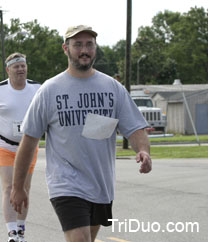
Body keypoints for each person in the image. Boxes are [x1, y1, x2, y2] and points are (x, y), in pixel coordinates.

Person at [10, 25, 152, 242]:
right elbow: (29, 141)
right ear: (66, 49)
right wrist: (18, 187)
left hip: (100, 184)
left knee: (88, 239)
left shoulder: (112, 88)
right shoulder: (50, 90)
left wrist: (143, 150)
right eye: (78, 45)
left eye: (89, 45)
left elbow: (135, 128)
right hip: (65, 184)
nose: (84, 50)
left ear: (95, 48)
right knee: (80, 239)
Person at [0, 53, 40, 242]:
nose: (21, 69)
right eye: (16, 66)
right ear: (8, 70)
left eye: (23, 66)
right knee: (9, 187)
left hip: (29, 147)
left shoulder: (37, 89)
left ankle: (21, 230)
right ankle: (12, 233)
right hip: (3, 145)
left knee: (24, 187)